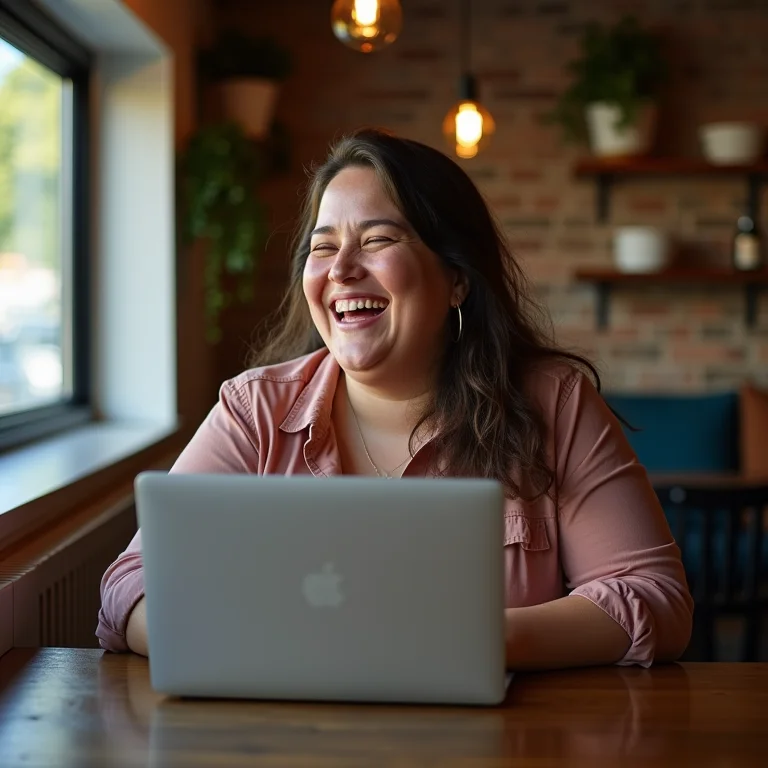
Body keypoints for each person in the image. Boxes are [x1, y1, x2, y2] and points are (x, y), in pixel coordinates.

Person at [96, 128, 693, 667]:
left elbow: (652, 596)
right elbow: (131, 586)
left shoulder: (554, 403)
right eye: (323, 247)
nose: (341, 270)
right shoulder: (254, 412)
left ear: (456, 278)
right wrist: (260, 643)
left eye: (377, 239)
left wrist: (478, 642)